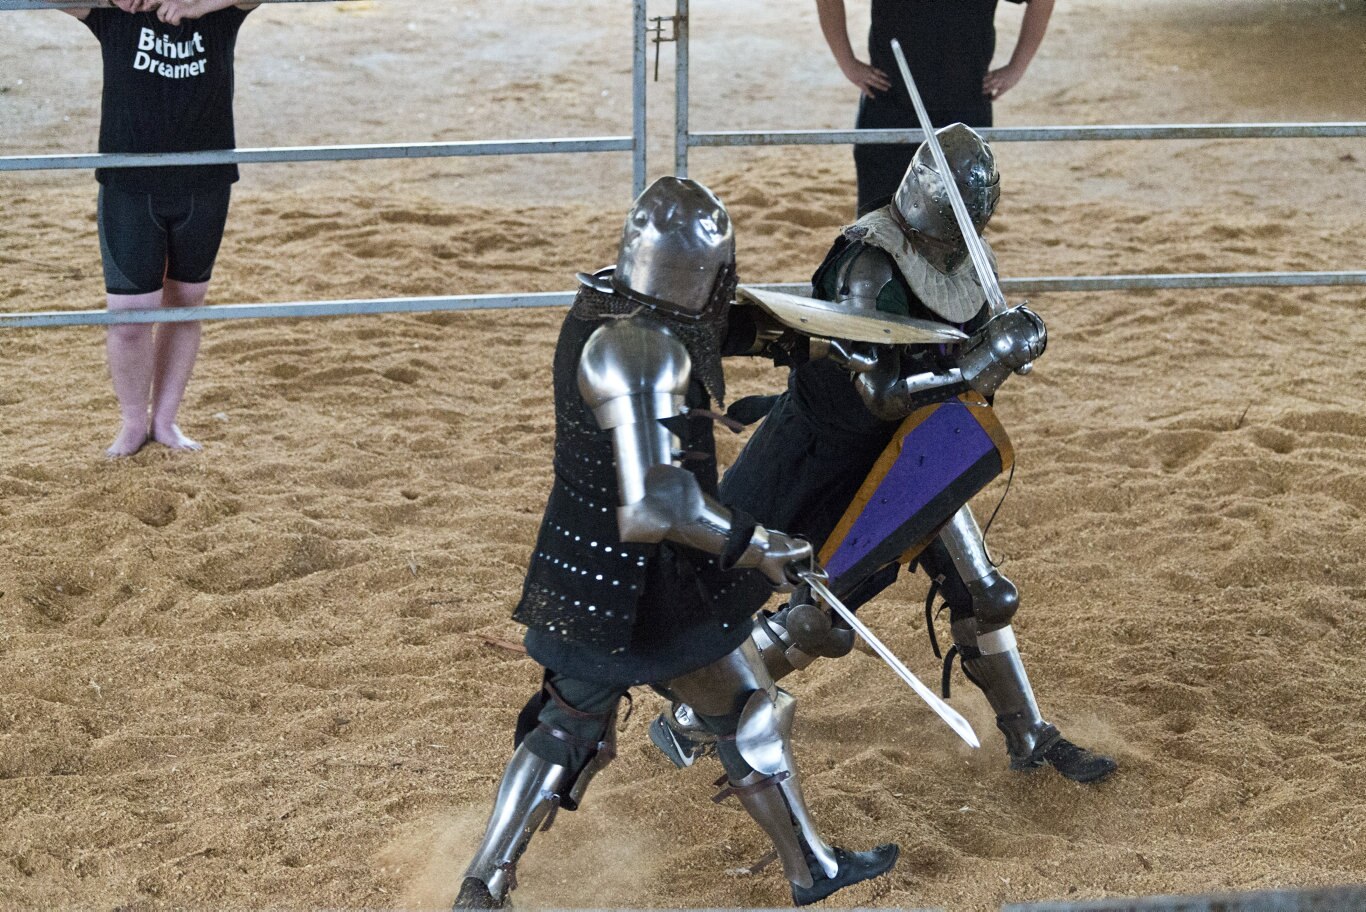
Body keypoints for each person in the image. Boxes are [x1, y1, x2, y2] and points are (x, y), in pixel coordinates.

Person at [450, 177, 900, 910]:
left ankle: (487, 880)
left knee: (568, 723)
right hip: (653, 587)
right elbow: (661, 503)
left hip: (583, 570)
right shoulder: (643, 353)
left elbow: (704, 329)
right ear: (711, 274)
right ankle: (812, 870)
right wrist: (761, 547)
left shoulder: (606, 308)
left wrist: (797, 337)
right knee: (753, 709)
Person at [650, 125, 1117, 785]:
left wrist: (1007, 341)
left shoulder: (964, 258)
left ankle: (1029, 736)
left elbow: (965, 362)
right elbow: (880, 392)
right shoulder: (868, 264)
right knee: (816, 616)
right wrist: (989, 358)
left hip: (917, 456)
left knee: (986, 596)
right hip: (831, 454)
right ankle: (693, 721)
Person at [52, 0, 259, 456]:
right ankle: (131, 423)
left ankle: (165, 421)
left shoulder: (221, 12)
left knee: (185, 303)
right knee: (129, 317)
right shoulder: (115, 14)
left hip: (204, 180)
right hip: (130, 184)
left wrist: (206, 3)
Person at [815, 0, 1055, 216]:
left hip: (965, 111)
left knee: (958, 230)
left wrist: (1016, 68)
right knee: (878, 228)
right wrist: (847, 63)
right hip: (891, 107)